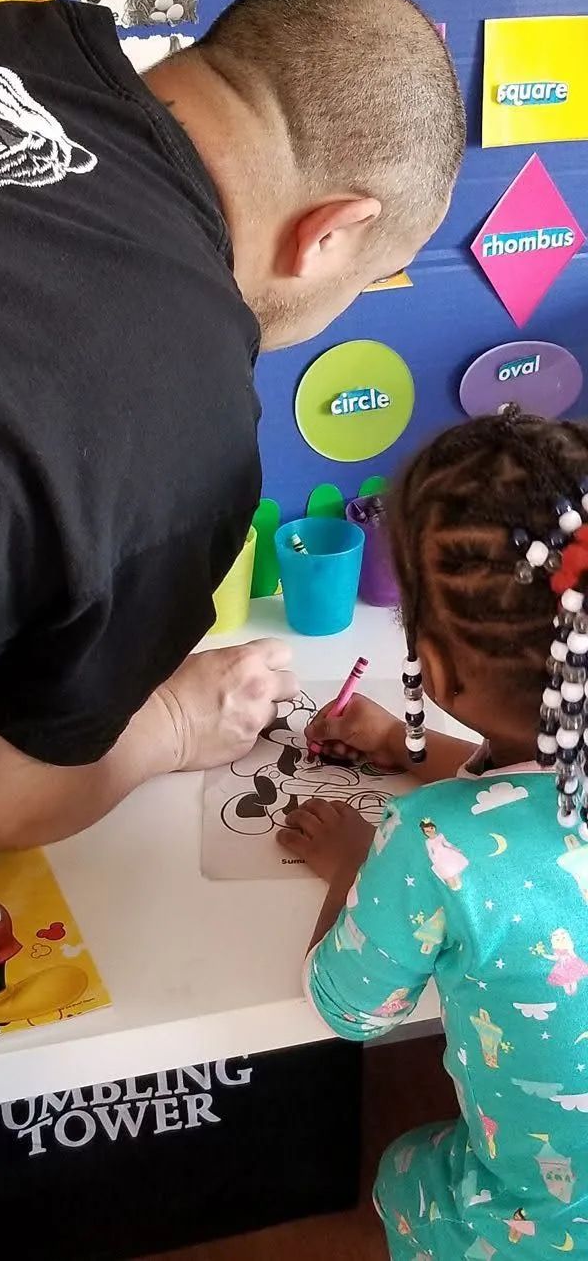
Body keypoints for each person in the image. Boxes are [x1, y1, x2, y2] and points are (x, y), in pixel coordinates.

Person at [0, 0, 465, 849]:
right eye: (371, 279)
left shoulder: (5, 35)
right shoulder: (185, 437)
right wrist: (176, 725)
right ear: (333, 231)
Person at [278, 409, 588, 1258]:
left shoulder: (426, 843)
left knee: (402, 1172)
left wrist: (350, 864)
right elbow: (539, 778)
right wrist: (399, 744)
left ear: (438, 668)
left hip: (541, 1235)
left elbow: (346, 1012)